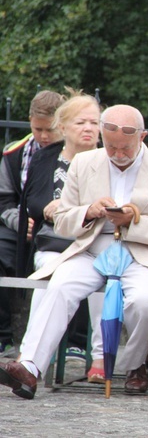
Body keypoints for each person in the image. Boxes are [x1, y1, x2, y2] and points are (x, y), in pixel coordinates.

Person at [0, 105, 148, 399]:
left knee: (143, 302)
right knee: (59, 286)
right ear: (102, 135)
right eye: (111, 146)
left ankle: (136, 364)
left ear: (144, 136)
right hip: (90, 250)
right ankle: (30, 368)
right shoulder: (84, 162)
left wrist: (133, 222)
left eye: (126, 147)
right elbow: (61, 221)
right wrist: (89, 211)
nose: (118, 153)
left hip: (142, 255)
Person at [16, 91, 104, 382]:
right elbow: (34, 201)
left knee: (107, 270)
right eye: (81, 122)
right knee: (49, 275)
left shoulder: (107, 158)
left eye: (95, 122)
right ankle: (27, 360)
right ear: (63, 127)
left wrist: (68, 209)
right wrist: (50, 209)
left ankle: (100, 357)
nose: (89, 128)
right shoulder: (45, 158)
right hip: (55, 242)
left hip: (96, 242)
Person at [0, 90, 64, 358]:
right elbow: (4, 201)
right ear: (29, 121)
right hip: (21, 227)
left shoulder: (82, 152)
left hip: (63, 231)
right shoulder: (13, 153)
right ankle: (4, 336)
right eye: (38, 129)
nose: (45, 136)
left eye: (51, 129)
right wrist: (19, 221)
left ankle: (75, 339)